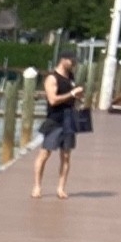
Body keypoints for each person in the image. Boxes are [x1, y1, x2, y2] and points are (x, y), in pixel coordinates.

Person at [33, 53, 85, 200]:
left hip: (69, 119)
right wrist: (72, 94)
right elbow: (53, 100)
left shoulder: (71, 77)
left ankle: (61, 188)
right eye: (72, 61)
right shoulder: (52, 78)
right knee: (45, 153)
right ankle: (37, 186)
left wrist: (79, 96)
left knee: (66, 156)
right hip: (55, 120)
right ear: (63, 60)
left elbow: (74, 97)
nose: (74, 64)